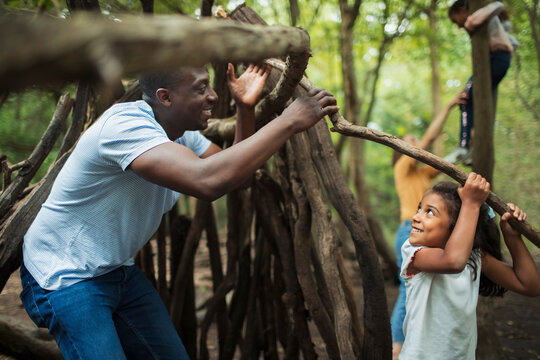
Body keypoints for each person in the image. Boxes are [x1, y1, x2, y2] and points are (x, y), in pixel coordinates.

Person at [19, 62, 339, 360]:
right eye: (201, 88)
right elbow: (208, 181)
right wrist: (288, 121)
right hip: (64, 273)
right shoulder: (124, 126)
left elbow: (236, 179)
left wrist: (245, 108)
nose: (213, 95)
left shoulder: (180, 133)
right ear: (165, 97)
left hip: (115, 269)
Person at [399, 172, 540, 360]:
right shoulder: (414, 252)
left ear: (458, 224)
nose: (416, 217)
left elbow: (529, 286)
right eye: (419, 208)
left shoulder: (474, 257)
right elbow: (453, 261)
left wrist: (513, 238)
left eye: (430, 212)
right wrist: (471, 203)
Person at [390, 92, 464, 360]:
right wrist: (447, 107)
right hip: (408, 231)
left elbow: (447, 164)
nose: (416, 144)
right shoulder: (402, 167)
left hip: (426, 234)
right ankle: (396, 349)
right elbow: (428, 141)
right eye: (411, 142)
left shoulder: (422, 173)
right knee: (404, 290)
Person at [446, 0, 515, 165]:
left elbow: (498, 6)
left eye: (455, 20)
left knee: (465, 98)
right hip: (499, 61)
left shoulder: (478, 19)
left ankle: (463, 147)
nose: (457, 26)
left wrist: (470, 22)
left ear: (462, 9)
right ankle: (470, 149)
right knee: (472, 103)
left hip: (496, 60)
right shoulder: (493, 23)